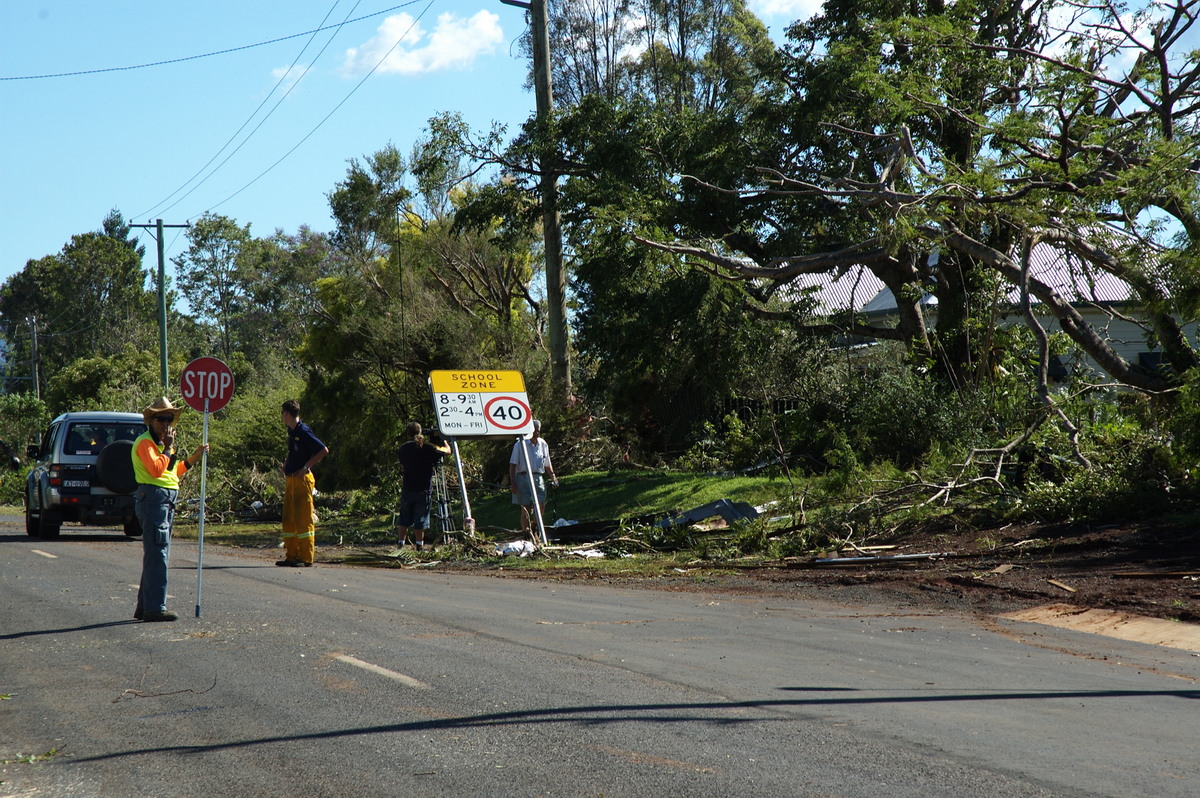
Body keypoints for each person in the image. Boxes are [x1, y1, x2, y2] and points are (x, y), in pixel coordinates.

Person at [131, 396, 208, 622]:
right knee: (158, 553)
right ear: (151, 421)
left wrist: (194, 457)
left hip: (164, 500)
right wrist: (168, 448)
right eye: (161, 419)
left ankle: (145, 606)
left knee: (155, 553)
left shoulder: (160, 446)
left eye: (169, 419)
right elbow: (156, 470)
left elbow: (171, 472)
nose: (166, 423)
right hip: (153, 499)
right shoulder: (146, 443)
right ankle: (155, 608)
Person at [279, 399, 329, 567]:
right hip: (291, 479)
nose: (282, 417)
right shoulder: (291, 431)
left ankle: (306, 558)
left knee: (303, 520)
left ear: (287, 414)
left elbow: (323, 450)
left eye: (283, 414)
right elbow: (294, 453)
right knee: (289, 519)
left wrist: (306, 466)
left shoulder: (304, 430)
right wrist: (287, 465)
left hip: (302, 480)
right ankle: (291, 556)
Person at [395, 422, 451, 551]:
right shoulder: (428, 447)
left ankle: (400, 543)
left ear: (408, 433)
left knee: (404, 516)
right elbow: (447, 452)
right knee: (421, 517)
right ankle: (419, 545)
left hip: (408, 487)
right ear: (421, 432)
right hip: (424, 488)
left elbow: (403, 465)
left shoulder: (403, 448)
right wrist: (445, 441)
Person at [508, 419, 557, 535]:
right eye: (534, 430)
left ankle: (534, 526)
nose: (536, 433)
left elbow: (547, 463)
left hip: (538, 477)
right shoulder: (520, 444)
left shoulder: (543, 444)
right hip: (522, 477)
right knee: (525, 507)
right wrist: (513, 483)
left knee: (541, 503)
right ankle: (526, 533)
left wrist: (553, 477)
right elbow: (513, 465)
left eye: (538, 431)